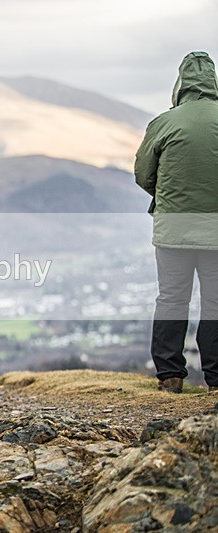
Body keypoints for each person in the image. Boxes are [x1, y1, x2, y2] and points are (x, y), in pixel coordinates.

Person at [135, 51, 218, 394]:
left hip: (173, 231)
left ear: (181, 84)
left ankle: (170, 375)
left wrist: (169, 196)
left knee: (171, 298)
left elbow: (143, 174)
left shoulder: (164, 123)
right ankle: (216, 379)